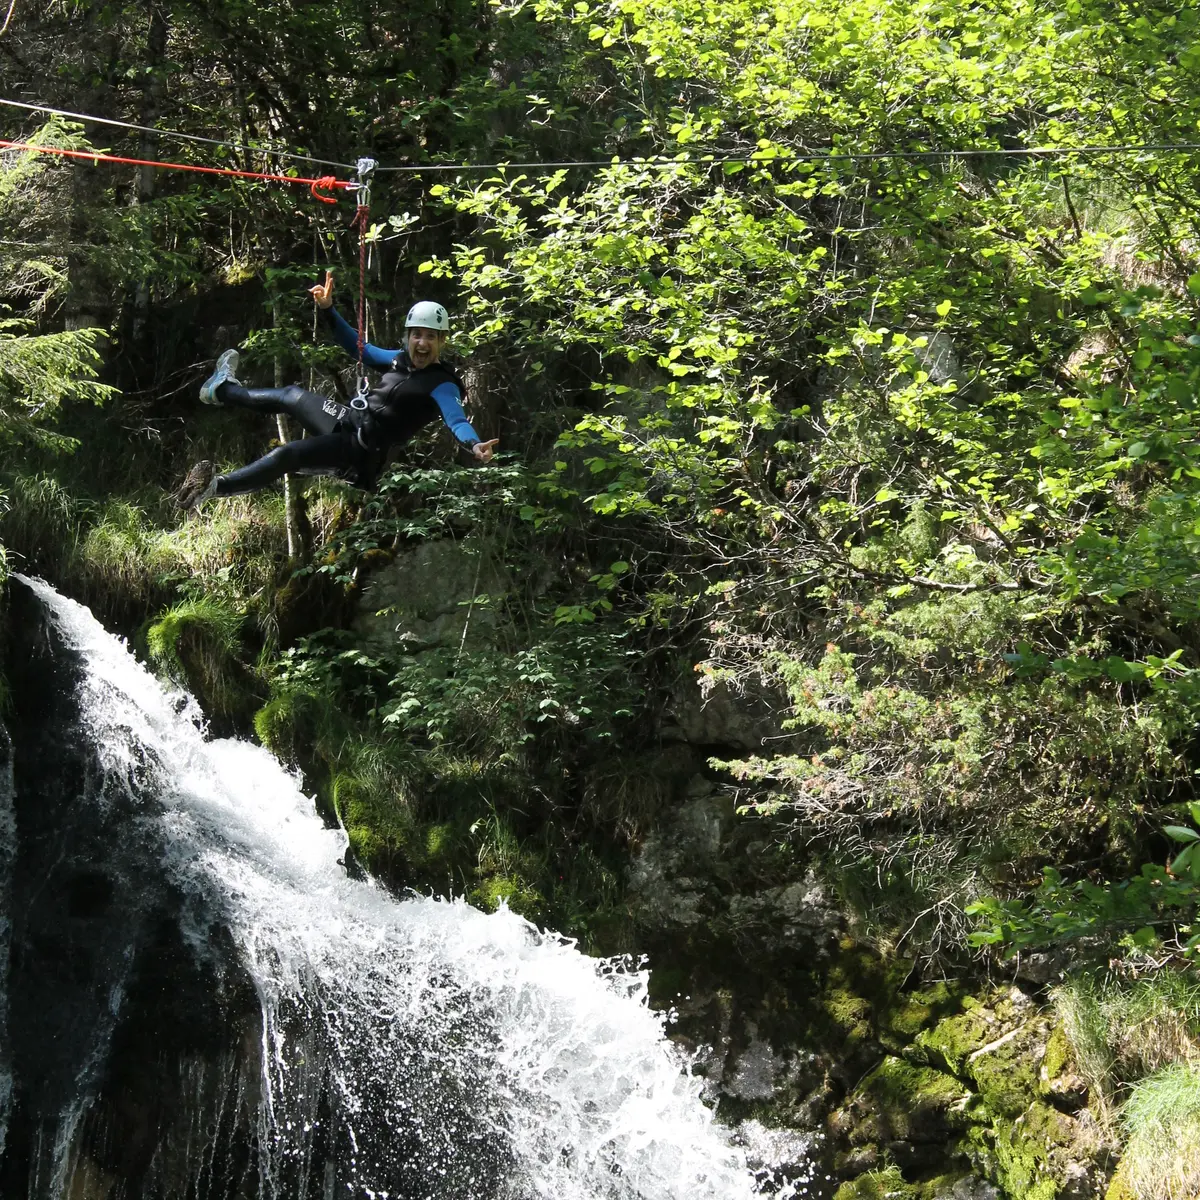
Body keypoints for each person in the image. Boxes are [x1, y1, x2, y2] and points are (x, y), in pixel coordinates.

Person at [174, 272, 499, 509]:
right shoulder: (399, 361)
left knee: (288, 455)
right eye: (416, 335)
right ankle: (221, 390)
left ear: (441, 341)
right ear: (408, 337)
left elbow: (457, 420)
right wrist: (328, 309)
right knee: (290, 395)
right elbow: (360, 348)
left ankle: (214, 489)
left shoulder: (442, 383)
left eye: (430, 337)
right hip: (347, 421)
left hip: (358, 453)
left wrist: (474, 444)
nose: (422, 343)